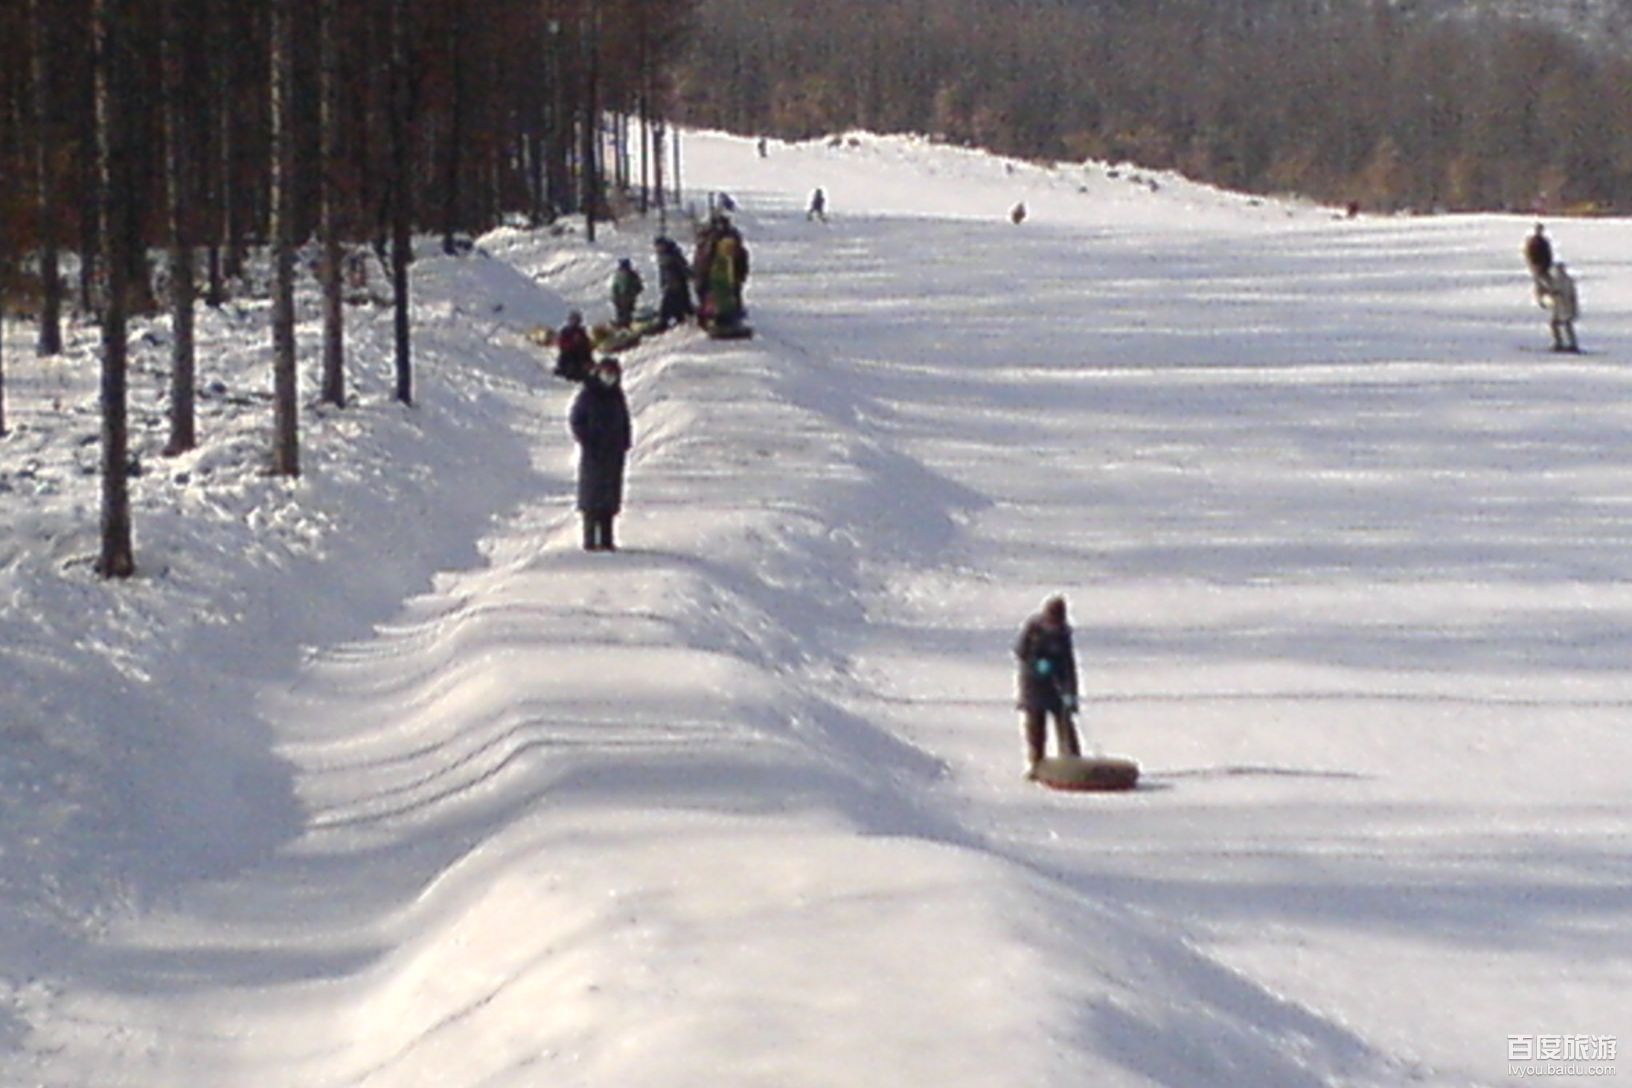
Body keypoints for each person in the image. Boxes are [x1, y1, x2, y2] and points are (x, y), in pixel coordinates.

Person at [1014, 595, 1083, 777]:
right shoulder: (1033, 629)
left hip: (1057, 687)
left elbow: (1069, 665)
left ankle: (1073, 763)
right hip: (1033, 687)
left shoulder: (1063, 634)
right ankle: (1036, 765)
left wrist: (1071, 694)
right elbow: (1021, 652)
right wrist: (1037, 664)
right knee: (1036, 729)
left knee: (1066, 723)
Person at [569, 358, 632, 551]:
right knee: (591, 497)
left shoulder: (617, 396)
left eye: (613, 374)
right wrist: (587, 439)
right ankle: (589, 539)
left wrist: (624, 442)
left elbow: (624, 420)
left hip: (613, 454)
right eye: (607, 373)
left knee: (609, 498)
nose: (610, 378)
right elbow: (576, 420)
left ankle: (607, 539)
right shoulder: (588, 394)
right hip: (594, 454)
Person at [694, 214, 750, 330]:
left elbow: (702, 261)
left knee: (721, 296)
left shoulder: (709, 241)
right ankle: (720, 317)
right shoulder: (717, 240)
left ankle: (722, 317)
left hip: (719, 275)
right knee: (721, 295)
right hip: (718, 275)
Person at [654, 236, 694, 329]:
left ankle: (663, 325)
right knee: (678, 308)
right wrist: (662, 284)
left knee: (667, 309)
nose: (657, 249)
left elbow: (683, 268)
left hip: (676, 286)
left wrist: (691, 275)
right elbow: (662, 273)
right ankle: (680, 321)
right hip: (670, 286)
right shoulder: (662, 256)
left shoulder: (673, 255)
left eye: (658, 246)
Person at [1543, 262, 1579, 352]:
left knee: (1563, 325)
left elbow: (1566, 294)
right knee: (1561, 325)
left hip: (1564, 307)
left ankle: (1566, 343)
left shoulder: (1563, 281)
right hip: (1560, 307)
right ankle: (1566, 343)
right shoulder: (1563, 280)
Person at [554, 309, 593, 382]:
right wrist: (572, 343)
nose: (574, 322)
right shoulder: (565, 331)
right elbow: (561, 344)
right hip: (569, 356)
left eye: (576, 320)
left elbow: (587, 346)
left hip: (581, 356)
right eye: (573, 320)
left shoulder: (581, 332)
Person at [1524, 222, 1554, 307]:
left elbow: (1549, 253)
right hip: (1537, 266)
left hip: (1545, 266)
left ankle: (1548, 299)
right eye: (1539, 229)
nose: (1540, 231)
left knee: (1549, 283)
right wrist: (1533, 264)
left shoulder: (1544, 241)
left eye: (1541, 229)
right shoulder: (1532, 241)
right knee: (1539, 284)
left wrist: (1548, 263)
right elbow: (1528, 253)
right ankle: (1540, 299)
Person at [610, 257, 644, 328]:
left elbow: (614, 288)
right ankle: (624, 325)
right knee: (626, 313)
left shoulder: (618, 275)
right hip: (625, 298)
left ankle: (623, 325)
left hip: (622, 298)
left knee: (623, 313)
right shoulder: (631, 275)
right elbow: (639, 287)